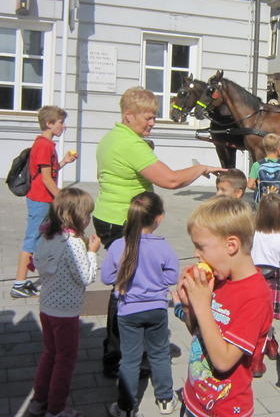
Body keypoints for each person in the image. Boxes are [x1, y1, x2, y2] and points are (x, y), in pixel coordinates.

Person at [93, 87, 224, 377]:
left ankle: (120, 352)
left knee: (123, 286)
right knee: (125, 291)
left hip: (109, 216)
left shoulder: (112, 137)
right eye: (148, 117)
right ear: (129, 115)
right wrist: (200, 168)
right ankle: (118, 357)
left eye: (154, 117)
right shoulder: (130, 144)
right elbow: (171, 180)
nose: (152, 122)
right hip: (123, 221)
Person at [174, 196, 273, 417]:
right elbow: (197, 332)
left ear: (231, 245)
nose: (196, 254)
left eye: (201, 247)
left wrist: (201, 305)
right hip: (195, 399)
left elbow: (223, 360)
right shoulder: (218, 280)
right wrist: (189, 306)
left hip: (226, 409)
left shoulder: (256, 296)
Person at [101, 192, 179, 417]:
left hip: (128, 311)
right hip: (156, 309)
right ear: (159, 218)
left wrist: (125, 280)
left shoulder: (118, 245)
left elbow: (107, 278)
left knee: (130, 359)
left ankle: (125, 406)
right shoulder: (163, 247)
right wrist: (156, 283)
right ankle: (165, 399)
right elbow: (172, 276)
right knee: (160, 354)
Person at [27, 188, 99, 417]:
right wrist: (92, 252)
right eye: (87, 215)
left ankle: (38, 401)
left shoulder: (48, 235)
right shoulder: (74, 243)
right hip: (65, 313)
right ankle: (56, 408)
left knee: (49, 353)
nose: (88, 220)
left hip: (46, 308)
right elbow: (86, 277)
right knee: (65, 360)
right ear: (75, 216)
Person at [12, 106, 77, 298]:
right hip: (40, 199)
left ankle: (29, 279)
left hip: (43, 198)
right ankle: (19, 283)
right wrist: (62, 198)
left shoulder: (45, 144)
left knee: (40, 238)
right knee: (32, 239)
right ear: (49, 124)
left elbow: (48, 172)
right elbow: (47, 179)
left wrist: (64, 161)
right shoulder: (44, 145)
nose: (63, 126)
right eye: (60, 122)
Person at [251, 193, 280, 375]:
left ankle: (260, 350)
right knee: (267, 319)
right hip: (272, 281)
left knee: (254, 319)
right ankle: (265, 350)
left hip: (253, 280)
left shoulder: (254, 234)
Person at [247, 133, 280, 203]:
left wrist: (259, 188)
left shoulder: (257, 165)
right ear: (279, 149)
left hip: (262, 201)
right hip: (279, 201)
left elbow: (249, 185)